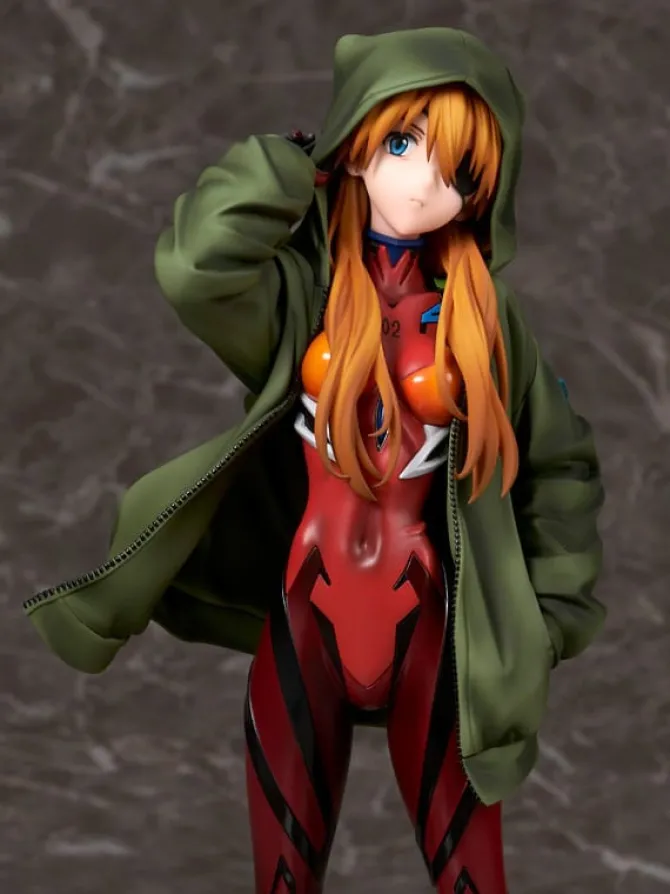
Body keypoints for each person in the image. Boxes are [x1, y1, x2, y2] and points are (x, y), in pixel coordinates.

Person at [24, 27, 606, 894]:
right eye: (402, 143)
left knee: (474, 881)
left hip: (434, 629)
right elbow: (195, 268)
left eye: (459, 170)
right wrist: (294, 162)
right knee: (284, 880)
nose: (425, 183)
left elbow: (561, 463)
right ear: (358, 144)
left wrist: (547, 619)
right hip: (307, 614)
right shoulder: (302, 295)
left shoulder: (486, 320)